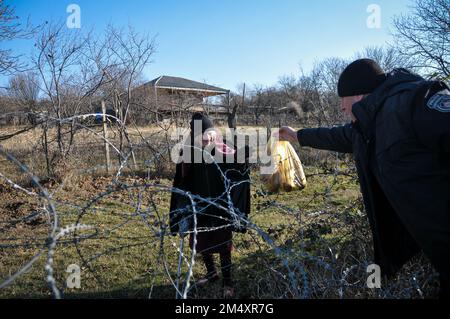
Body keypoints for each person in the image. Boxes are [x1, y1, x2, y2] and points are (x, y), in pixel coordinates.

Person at [278, 59, 450, 298]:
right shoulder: (367, 127)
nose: (341, 108)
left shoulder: (416, 101)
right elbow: (336, 136)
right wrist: (297, 136)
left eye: (342, 99)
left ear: (358, 96)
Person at [169, 113, 250, 298]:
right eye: (199, 134)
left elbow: (238, 166)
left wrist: (242, 155)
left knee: (223, 244)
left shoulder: (223, 147)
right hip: (199, 205)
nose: (204, 138)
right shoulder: (189, 150)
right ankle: (212, 273)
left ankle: (228, 281)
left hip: (220, 204)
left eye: (207, 133)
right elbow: (182, 177)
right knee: (202, 243)